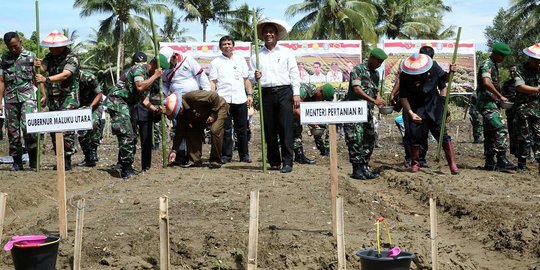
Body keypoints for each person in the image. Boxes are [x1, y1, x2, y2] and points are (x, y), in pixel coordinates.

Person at [103, 52, 166, 179]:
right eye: (161, 69)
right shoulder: (140, 68)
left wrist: (156, 110)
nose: (162, 72)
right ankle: (126, 168)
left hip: (127, 104)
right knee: (127, 134)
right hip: (117, 101)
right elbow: (139, 86)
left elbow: (145, 101)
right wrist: (155, 76)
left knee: (132, 135)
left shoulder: (148, 76)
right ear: (154, 64)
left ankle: (124, 164)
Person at [251, 19, 300, 173]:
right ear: (262, 35)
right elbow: (251, 77)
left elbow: (294, 73)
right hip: (266, 93)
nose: (269, 34)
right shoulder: (256, 56)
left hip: (284, 92)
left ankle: (287, 162)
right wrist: (255, 76)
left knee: (285, 128)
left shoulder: (286, 52)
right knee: (269, 129)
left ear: (277, 34)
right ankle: (274, 161)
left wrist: (296, 93)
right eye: (266, 32)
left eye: (272, 31)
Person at [399, 53, 459, 174]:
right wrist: (410, 113)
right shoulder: (405, 75)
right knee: (415, 136)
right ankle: (415, 163)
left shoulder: (434, 66)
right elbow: (403, 97)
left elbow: (445, 79)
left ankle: (452, 164)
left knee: (442, 134)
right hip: (416, 108)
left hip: (434, 106)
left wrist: (451, 72)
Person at [35, 30, 79, 170]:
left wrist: (46, 79)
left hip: (68, 97)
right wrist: (37, 65)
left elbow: (65, 75)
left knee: (66, 129)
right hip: (53, 97)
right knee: (54, 129)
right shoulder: (49, 56)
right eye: (50, 47)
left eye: (54, 47)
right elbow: (42, 69)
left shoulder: (72, 58)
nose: (51, 49)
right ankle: (59, 158)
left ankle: (67, 159)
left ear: (62, 46)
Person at [0, 32, 45, 170]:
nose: (13, 49)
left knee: (29, 127)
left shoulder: (31, 56)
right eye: (10, 47)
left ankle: (33, 159)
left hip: (27, 97)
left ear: (20, 41)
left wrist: (43, 93)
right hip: (10, 99)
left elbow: (38, 76)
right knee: (13, 132)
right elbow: (1, 80)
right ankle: (17, 161)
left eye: (15, 46)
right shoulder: (4, 58)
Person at [160, 46, 211, 165]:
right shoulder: (165, 69)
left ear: (174, 56)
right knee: (178, 127)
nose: (170, 65)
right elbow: (165, 84)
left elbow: (201, 75)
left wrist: (206, 93)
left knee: (193, 127)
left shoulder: (188, 60)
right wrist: (163, 94)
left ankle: (194, 157)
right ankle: (179, 155)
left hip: (193, 99)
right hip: (176, 102)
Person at [343, 48, 388, 180]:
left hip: (367, 112)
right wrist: (374, 100)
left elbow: (376, 90)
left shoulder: (376, 74)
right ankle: (356, 169)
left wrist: (379, 100)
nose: (379, 65)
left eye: (381, 63)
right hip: (354, 112)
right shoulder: (358, 70)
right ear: (371, 58)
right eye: (378, 61)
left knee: (369, 138)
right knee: (355, 139)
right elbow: (357, 89)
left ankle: (364, 167)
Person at [209, 35, 253, 164]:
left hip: (240, 99)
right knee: (226, 129)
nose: (227, 46)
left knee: (243, 128)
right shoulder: (215, 62)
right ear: (220, 47)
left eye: (229, 43)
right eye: (224, 44)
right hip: (224, 100)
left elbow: (246, 79)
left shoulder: (240, 60)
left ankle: (244, 155)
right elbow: (213, 81)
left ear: (233, 45)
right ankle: (226, 155)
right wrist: (212, 98)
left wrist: (249, 94)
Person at [475, 42, 516, 171]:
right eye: (502, 56)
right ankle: (501, 159)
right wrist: (500, 96)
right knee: (501, 128)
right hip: (487, 103)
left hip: (489, 102)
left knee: (490, 132)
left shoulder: (493, 64)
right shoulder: (487, 64)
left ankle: (489, 161)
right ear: (497, 55)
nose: (503, 59)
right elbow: (487, 82)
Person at [167, 90, 229, 169]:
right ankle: (195, 160)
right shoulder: (180, 114)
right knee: (191, 131)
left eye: (177, 111)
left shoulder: (193, 96)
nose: (178, 113)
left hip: (218, 108)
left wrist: (213, 114)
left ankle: (215, 160)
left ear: (180, 105)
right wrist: (174, 150)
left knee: (215, 130)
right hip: (200, 115)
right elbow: (179, 132)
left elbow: (214, 96)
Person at [513, 43, 540, 172]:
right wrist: (537, 90)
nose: (538, 65)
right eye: (536, 62)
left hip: (537, 109)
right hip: (523, 108)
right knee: (523, 136)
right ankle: (522, 163)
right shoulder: (520, 70)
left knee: (538, 136)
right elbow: (520, 87)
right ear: (530, 59)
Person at [292, 83, 335, 163]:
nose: (322, 100)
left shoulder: (314, 97)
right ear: (320, 91)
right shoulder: (303, 90)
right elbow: (295, 110)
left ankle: (299, 155)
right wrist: (311, 123)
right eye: (322, 98)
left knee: (297, 130)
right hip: (283, 110)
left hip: (294, 115)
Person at [76, 70, 103, 167]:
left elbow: (99, 94)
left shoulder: (89, 77)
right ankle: (88, 157)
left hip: (94, 105)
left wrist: (90, 107)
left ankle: (93, 151)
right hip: (78, 107)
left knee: (94, 124)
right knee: (81, 131)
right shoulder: (67, 79)